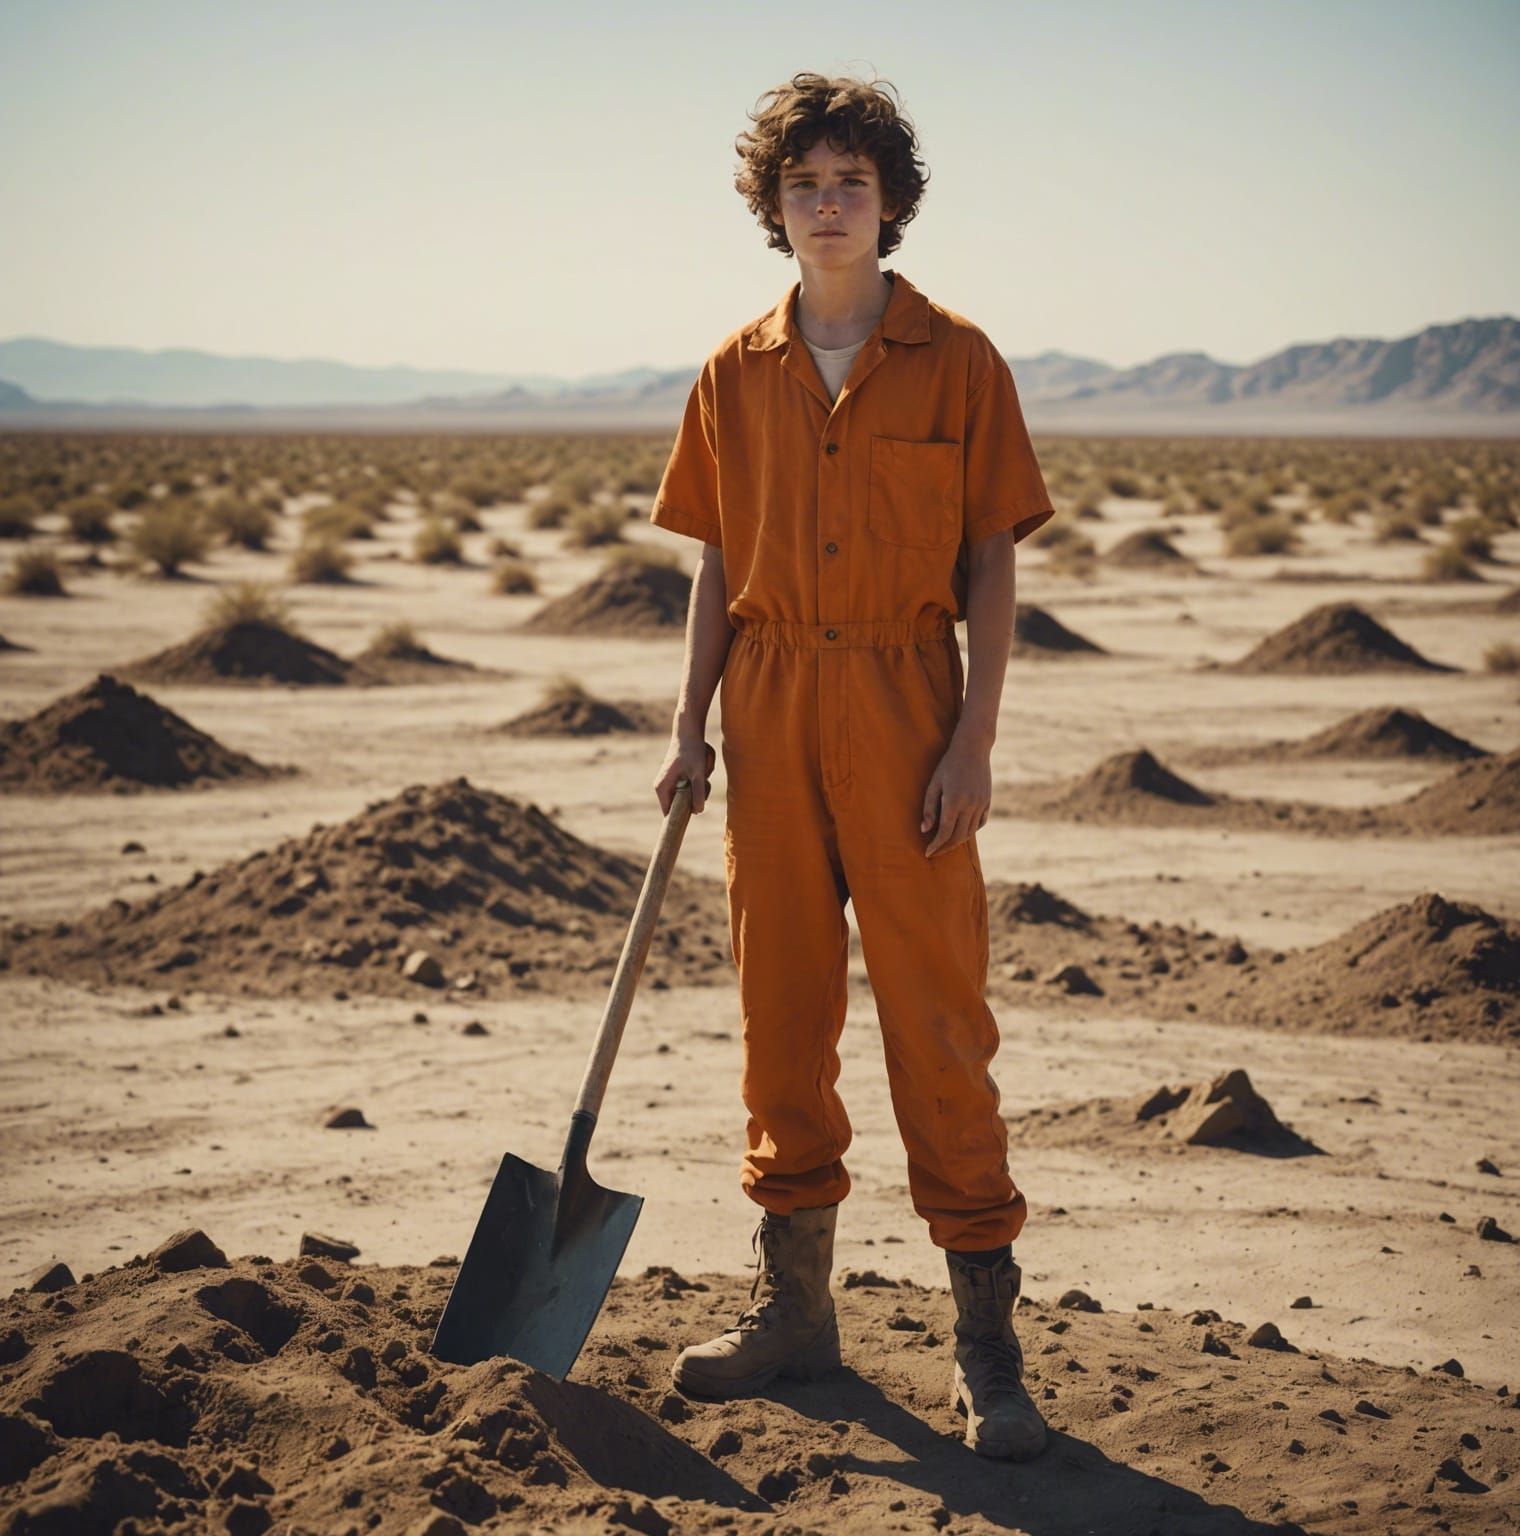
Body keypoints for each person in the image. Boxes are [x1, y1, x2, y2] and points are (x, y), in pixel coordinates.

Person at [648, 71, 1057, 1462]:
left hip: (907, 707)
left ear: (891, 204)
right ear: (774, 208)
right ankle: (795, 1316)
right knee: (780, 1017)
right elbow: (716, 563)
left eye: (851, 183)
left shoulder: (961, 360)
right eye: (804, 184)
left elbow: (991, 561)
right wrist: (688, 724)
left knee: (939, 1028)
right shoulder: (732, 372)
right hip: (766, 711)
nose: (828, 206)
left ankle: (988, 1351)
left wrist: (972, 740)